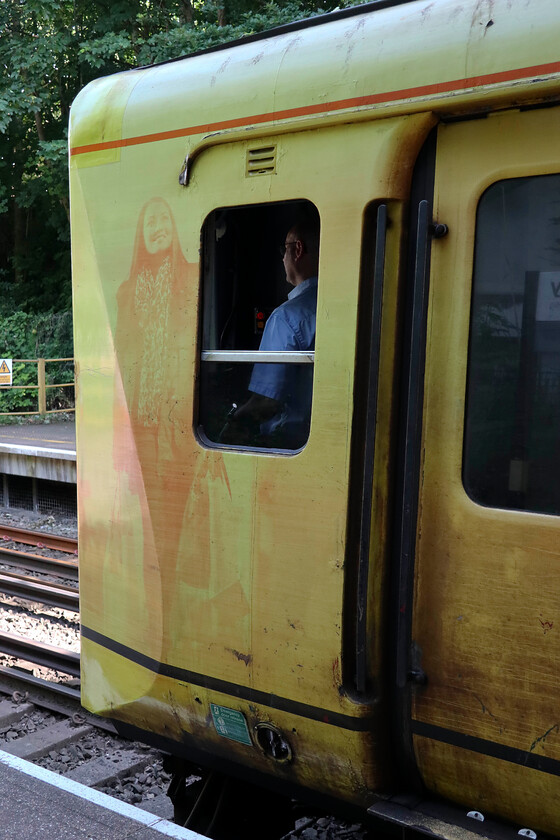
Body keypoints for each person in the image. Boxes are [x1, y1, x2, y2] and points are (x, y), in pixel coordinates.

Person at [230, 215, 319, 448]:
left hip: (288, 444)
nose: (282, 258)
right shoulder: (347, 305)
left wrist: (232, 424)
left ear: (298, 250)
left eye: (285, 249)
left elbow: (266, 403)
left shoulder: (286, 318)